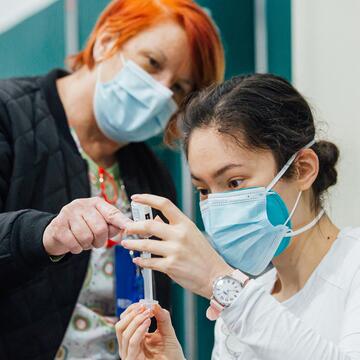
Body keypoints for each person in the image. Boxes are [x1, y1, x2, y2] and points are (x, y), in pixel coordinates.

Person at [0, 0, 224, 358]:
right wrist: (42, 233)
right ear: (106, 40)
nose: (161, 92)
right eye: (152, 63)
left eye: (180, 89)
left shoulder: (152, 177)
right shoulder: (10, 116)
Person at [116, 74, 360, 359]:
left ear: (303, 169)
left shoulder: (350, 267)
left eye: (234, 182)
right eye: (204, 189)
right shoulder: (240, 306)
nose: (218, 205)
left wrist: (219, 282)